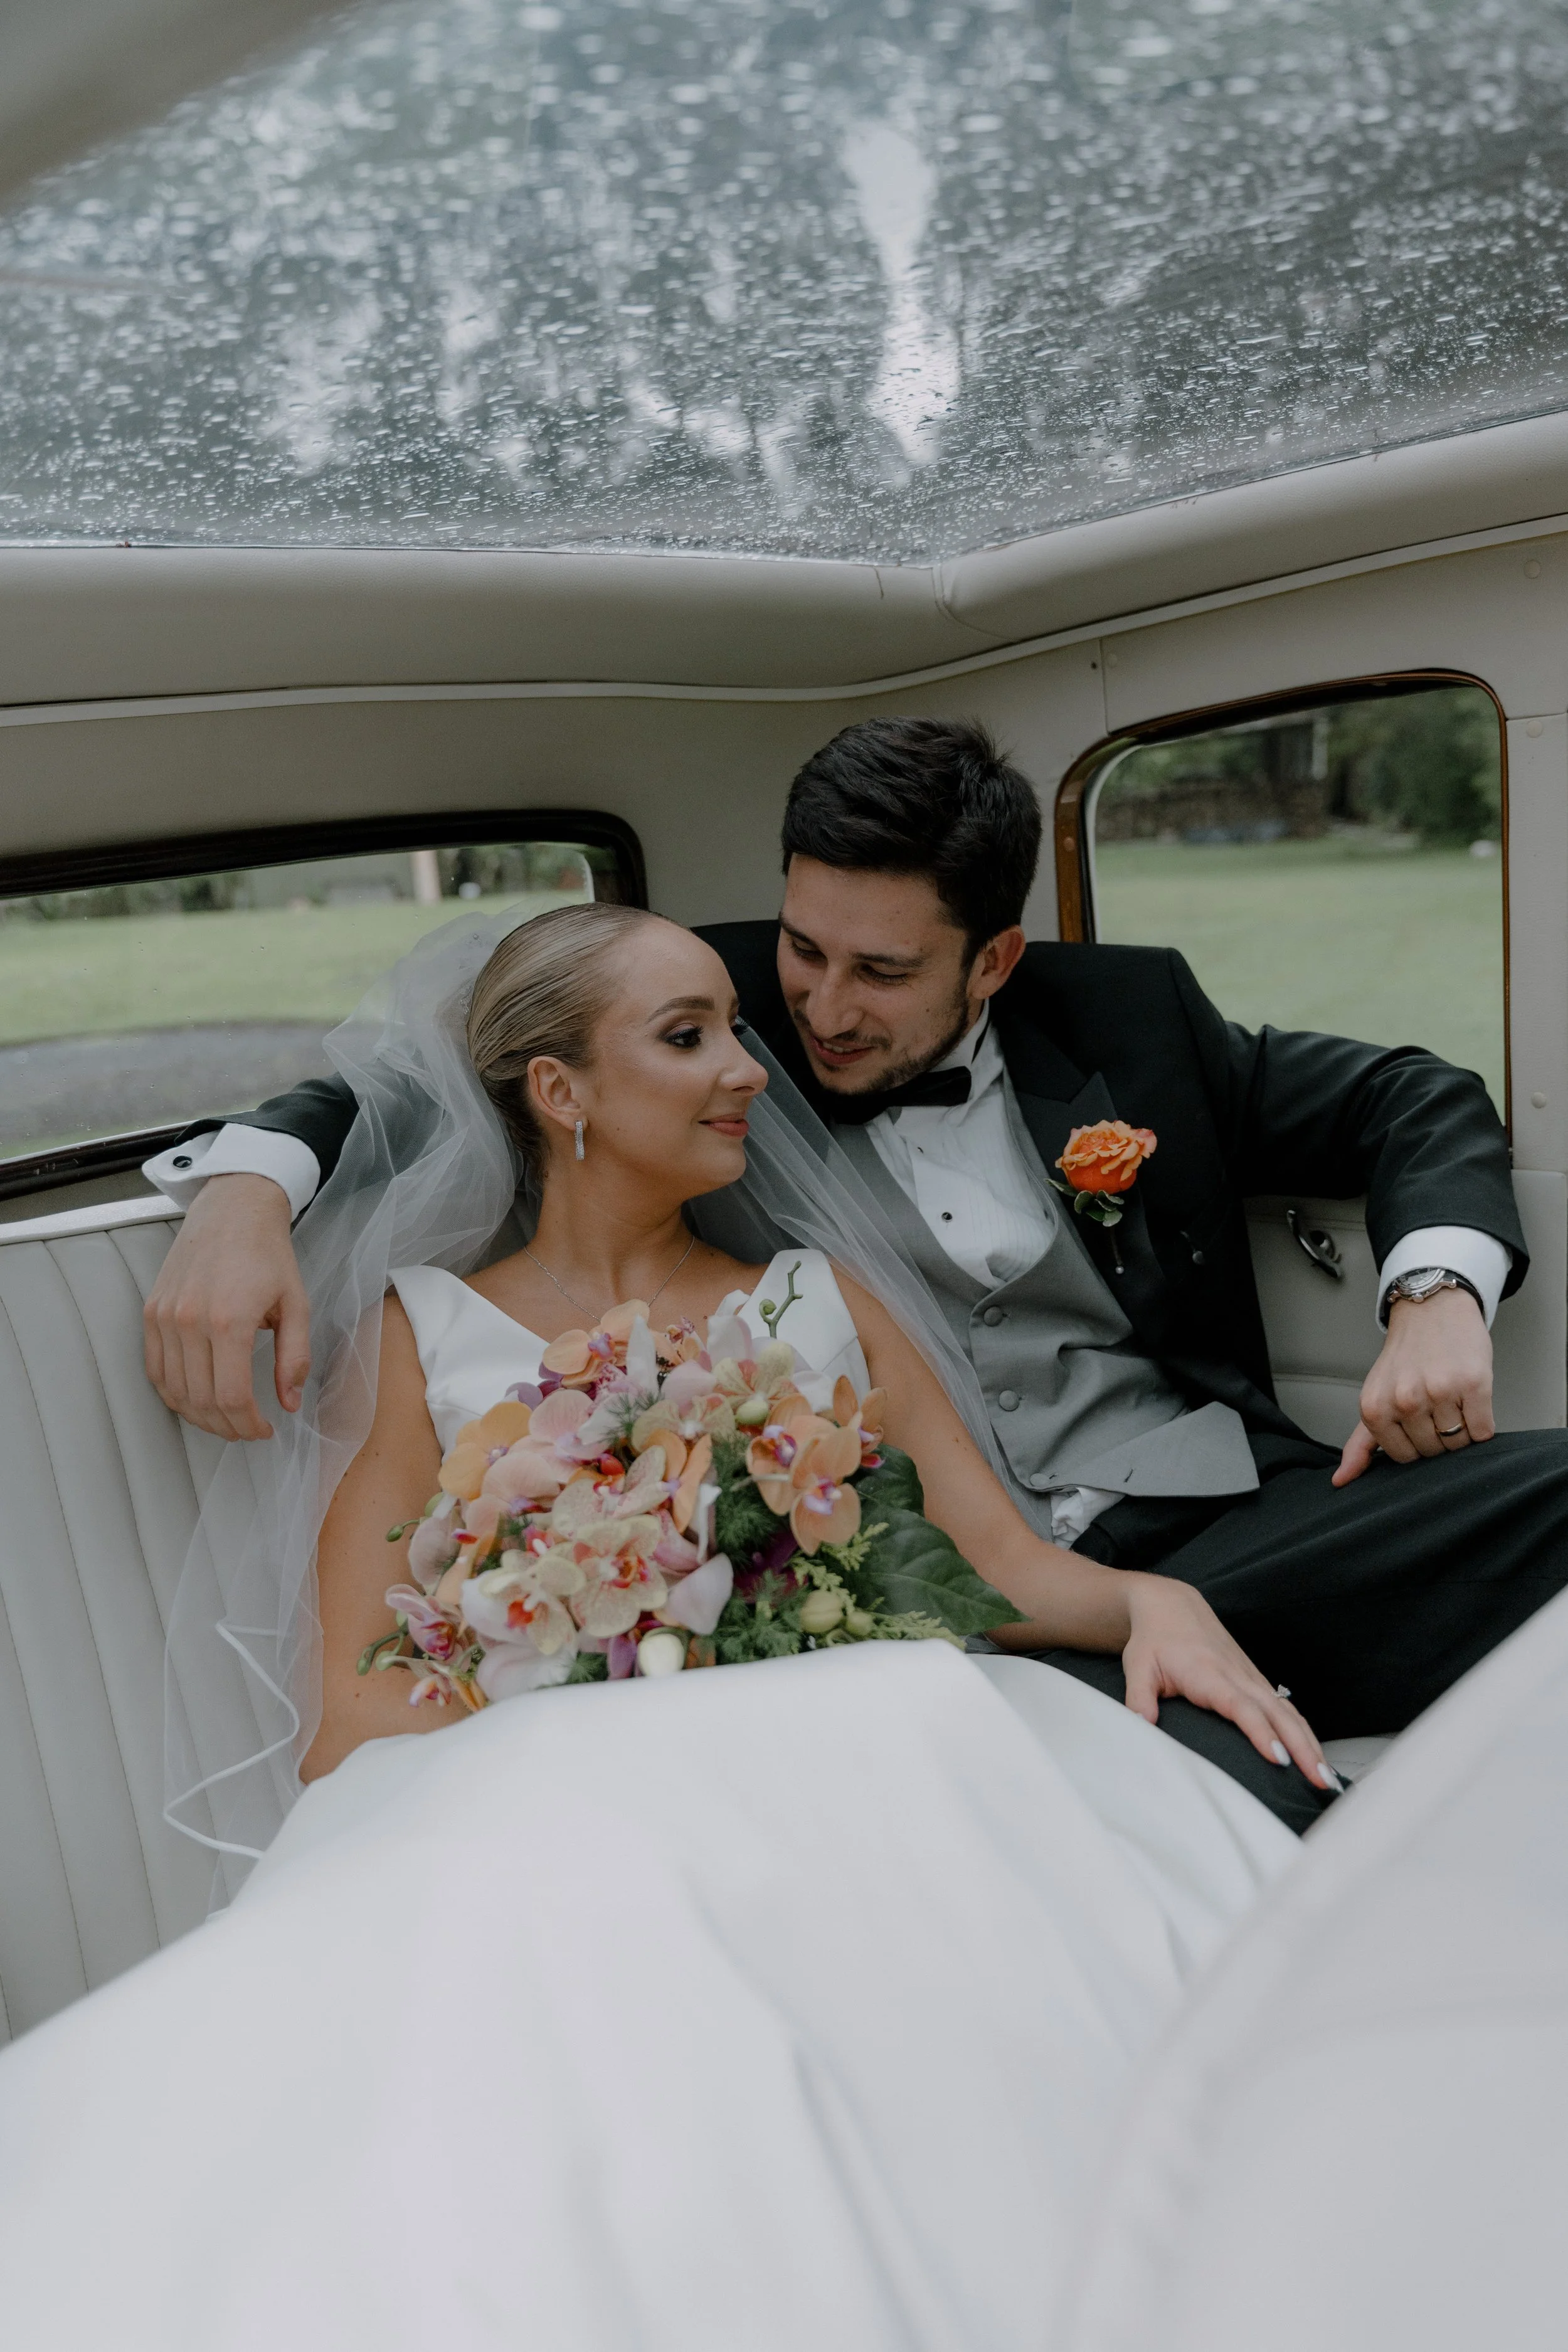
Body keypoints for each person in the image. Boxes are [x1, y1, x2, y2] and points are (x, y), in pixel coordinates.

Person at [0, 900, 1304, 2351]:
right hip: (553, 1788)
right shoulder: (423, 1333)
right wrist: (592, 1649)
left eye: (734, 1030)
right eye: (688, 1037)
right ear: (557, 1092)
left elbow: (991, 1566)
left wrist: (1148, 1597)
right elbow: (357, 1716)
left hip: (851, 1755)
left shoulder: (816, 1301)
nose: (749, 1066)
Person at [143, 717, 1559, 1831]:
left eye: (878, 972)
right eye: (802, 950)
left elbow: (1410, 1097)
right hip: (943, 1613)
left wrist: (1433, 1295)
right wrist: (245, 1193)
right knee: (1245, 1820)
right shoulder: (705, 1011)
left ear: (991, 955)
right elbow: (421, 1080)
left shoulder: (1133, 1018)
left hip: (1210, 1521)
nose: (814, 1013)